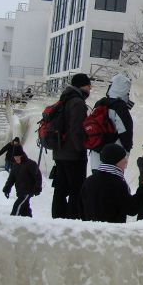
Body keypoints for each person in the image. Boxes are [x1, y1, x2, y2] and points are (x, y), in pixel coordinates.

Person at [80, 144, 143, 223]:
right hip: (112, 229)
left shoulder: (89, 181)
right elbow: (132, 209)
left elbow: (81, 208)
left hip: (91, 229)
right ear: (115, 160)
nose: (126, 161)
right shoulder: (118, 183)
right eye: (123, 158)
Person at [51, 73, 91, 219]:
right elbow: (76, 129)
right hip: (73, 154)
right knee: (76, 189)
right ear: (82, 86)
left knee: (60, 188)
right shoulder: (77, 102)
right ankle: (72, 219)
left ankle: (58, 218)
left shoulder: (64, 99)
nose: (90, 89)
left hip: (59, 152)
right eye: (88, 86)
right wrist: (81, 148)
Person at [87, 73, 134, 172]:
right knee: (112, 180)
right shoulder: (120, 106)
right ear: (124, 89)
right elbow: (125, 132)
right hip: (113, 156)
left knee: (97, 179)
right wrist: (126, 152)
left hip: (96, 152)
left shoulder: (100, 103)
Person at [2, 149, 42, 217]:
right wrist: (7, 189)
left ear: (22, 156)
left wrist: (37, 188)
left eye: (18, 156)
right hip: (20, 191)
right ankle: (28, 221)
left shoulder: (31, 164)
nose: (16, 158)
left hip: (28, 191)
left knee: (17, 205)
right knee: (25, 210)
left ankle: (13, 219)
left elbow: (38, 177)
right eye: (15, 157)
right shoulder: (15, 165)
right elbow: (11, 179)